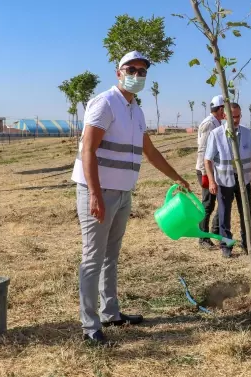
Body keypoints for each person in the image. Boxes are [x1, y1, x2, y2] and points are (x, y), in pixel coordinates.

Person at [71, 51, 190, 345]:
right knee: (92, 258)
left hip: (123, 193)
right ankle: (90, 326)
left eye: (142, 71)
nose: (137, 74)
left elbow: (149, 151)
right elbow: (88, 150)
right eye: (131, 69)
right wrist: (95, 195)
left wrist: (176, 176)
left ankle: (111, 313)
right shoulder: (105, 103)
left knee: (111, 255)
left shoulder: (135, 110)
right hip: (99, 192)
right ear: (118, 72)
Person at [204, 103, 251, 258]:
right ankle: (226, 246)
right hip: (223, 181)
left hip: (245, 181)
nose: (236, 120)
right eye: (232, 117)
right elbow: (207, 160)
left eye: (238, 116)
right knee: (224, 215)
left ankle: (247, 243)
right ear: (224, 116)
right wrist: (211, 181)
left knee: (246, 214)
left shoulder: (248, 133)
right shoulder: (216, 135)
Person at [195, 95, 225, 249]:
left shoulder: (217, 123)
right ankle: (203, 238)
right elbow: (203, 150)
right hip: (206, 171)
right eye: (223, 108)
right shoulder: (209, 124)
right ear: (220, 109)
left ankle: (215, 231)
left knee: (219, 202)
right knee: (208, 204)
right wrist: (206, 174)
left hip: (215, 170)